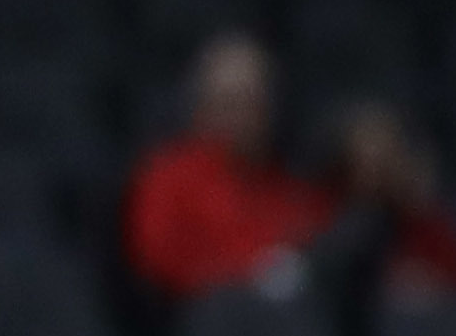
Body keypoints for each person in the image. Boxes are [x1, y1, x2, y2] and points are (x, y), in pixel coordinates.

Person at [124, 33, 330, 304]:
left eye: (253, 103)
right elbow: (155, 260)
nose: (242, 117)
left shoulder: (288, 180)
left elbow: (321, 241)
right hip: (206, 316)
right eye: (230, 103)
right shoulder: (167, 177)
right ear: (201, 108)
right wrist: (249, 269)